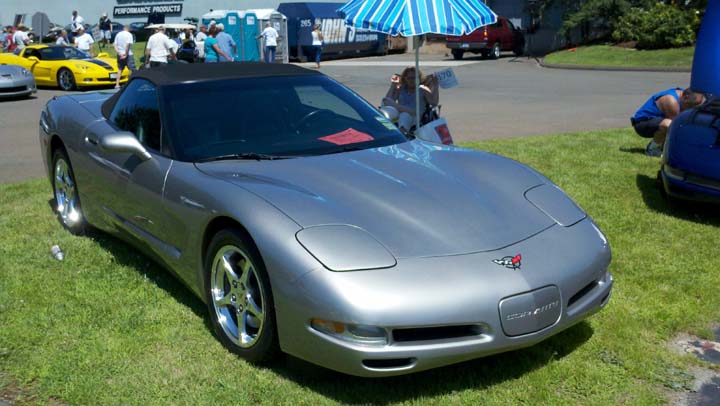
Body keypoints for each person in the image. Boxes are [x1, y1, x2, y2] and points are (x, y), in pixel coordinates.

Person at [631, 87, 706, 157]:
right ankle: (652, 149)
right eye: (693, 106)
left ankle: (662, 146)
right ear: (686, 98)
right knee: (669, 125)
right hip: (641, 124)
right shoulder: (671, 102)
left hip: (658, 120)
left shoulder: (685, 94)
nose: (693, 109)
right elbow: (676, 129)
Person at [381, 67, 439, 134]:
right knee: (385, 108)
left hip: (414, 115)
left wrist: (436, 86)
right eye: (408, 78)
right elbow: (389, 100)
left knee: (405, 115)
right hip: (399, 112)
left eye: (413, 78)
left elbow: (434, 102)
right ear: (405, 79)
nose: (411, 80)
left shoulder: (422, 89)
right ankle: (381, 130)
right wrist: (393, 85)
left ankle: (402, 134)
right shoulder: (402, 88)